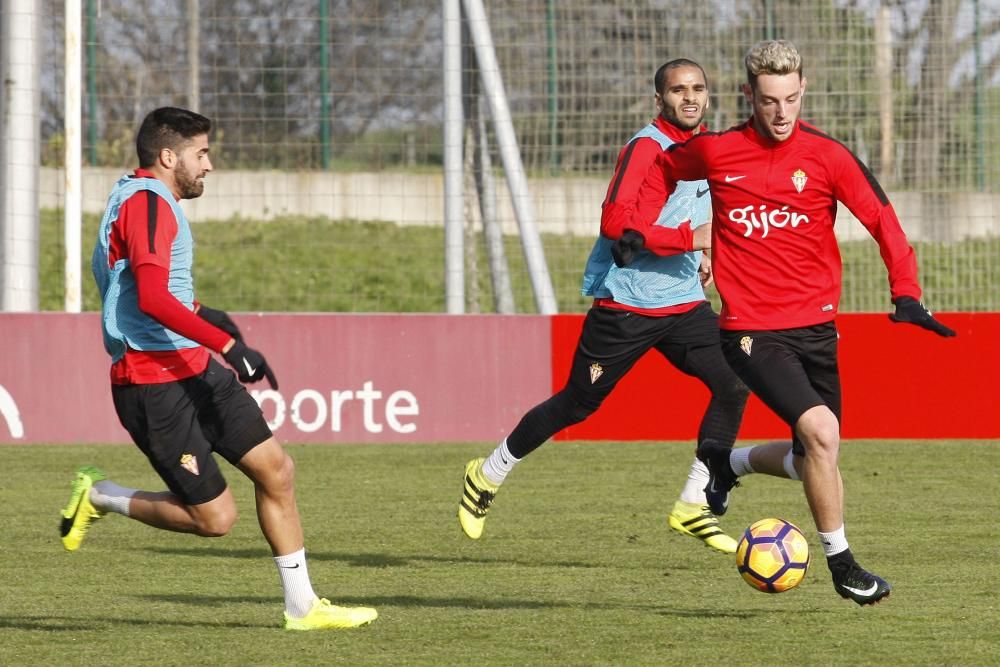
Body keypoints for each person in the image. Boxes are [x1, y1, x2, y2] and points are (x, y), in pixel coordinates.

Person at [607, 40, 956, 606]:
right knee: (823, 434)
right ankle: (843, 565)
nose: (781, 112)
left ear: (803, 92)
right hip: (750, 330)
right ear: (750, 95)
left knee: (809, 457)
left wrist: (907, 292)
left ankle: (728, 463)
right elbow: (658, 171)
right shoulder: (717, 151)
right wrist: (639, 228)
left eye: (791, 99)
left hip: (816, 329)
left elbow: (883, 222)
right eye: (769, 100)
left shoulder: (828, 156)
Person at [59, 107, 377, 631]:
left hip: (192, 368)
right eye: (201, 153)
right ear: (168, 156)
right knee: (215, 520)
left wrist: (207, 317)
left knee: (276, 469)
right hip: (152, 383)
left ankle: (303, 607)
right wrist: (227, 343)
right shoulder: (146, 206)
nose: (208, 165)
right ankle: (100, 495)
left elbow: (154, 291)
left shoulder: (148, 200)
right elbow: (155, 299)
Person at [458, 59, 754, 554]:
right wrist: (691, 240)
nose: (690, 97)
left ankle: (692, 504)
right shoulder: (646, 147)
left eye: (698, 88)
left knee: (734, 383)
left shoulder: (709, 148)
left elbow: (705, 214)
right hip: (627, 305)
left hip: (683, 305)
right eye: (677, 90)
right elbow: (616, 222)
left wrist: (704, 255)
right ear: (658, 100)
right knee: (578, 403)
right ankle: (485, 475)